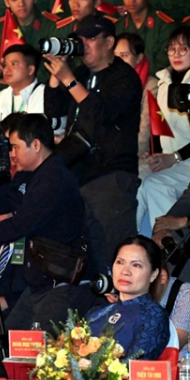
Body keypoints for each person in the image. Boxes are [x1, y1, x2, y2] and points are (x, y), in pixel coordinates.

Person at [0, 114, 92, 332]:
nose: (11, 154)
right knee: (12, 341)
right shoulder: (32, 175)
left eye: (15, 147)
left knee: (39, 348)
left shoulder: (53, 179)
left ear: (36, 145)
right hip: (40, 282)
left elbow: (18, 226)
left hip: (61, 283)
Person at [45, 14, 143, 276]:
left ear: (109, 42)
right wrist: (56, 76)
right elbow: (53, 113)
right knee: (80, 256)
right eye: (79, 39)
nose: (83, 44)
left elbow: (101, 114)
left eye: (90, 38)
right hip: (77, 171)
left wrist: (69, 81)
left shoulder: (124, 77)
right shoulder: (79, 74)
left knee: (113, 252)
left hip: (111, 173)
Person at [137, 27, 190, 236]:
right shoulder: (164, 82)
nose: (176, 54)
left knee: (155, 184)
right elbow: (160, 126)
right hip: (171, 160)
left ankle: (167, 247)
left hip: (185, 161)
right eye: (172, 49)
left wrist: (174, 157)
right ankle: (129, 245)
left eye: (183, 49)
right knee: (135, 179)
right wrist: (154, 154)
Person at [86, 236, 169, 360]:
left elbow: (135, 365)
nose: (125, 271)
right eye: (120, 262)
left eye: (136, 265)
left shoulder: (153, 315)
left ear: (153, 274)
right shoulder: (96, 312)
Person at [0, 44, 50, 137]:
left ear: (30, 70)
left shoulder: (44, 94)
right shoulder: (0, 97)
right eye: (5, 65)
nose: (7, 69)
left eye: (14, 64)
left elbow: (33, 133)